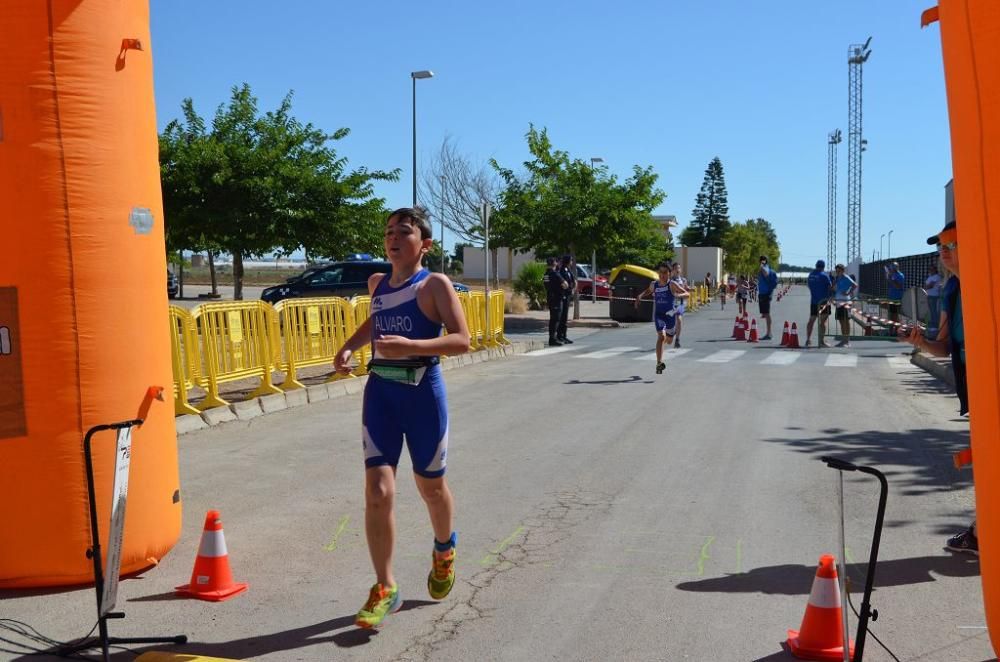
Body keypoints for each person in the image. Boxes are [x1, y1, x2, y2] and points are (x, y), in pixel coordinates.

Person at [334, 207, 471, 629]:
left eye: (404, 232)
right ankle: (385, 587)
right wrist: (351, 347)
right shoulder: (377, 282)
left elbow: (462, 340)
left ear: (424, 244)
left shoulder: (434, 284)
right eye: (389, 232)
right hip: (381, 395)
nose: (393, 238)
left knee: (431, 488)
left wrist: (411, 344)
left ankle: (444, 550)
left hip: (423, 395)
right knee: (377, 489)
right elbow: (375, 321)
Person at [899, 221, 973, 553]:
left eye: (951, 244)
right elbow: (944, 345)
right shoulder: (951, 288)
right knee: (985, 459)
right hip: (973, 382)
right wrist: (922, 343)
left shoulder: (986, 280)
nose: (943, 251)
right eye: (940, 246)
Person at [634, 261, 678, 375]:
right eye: (660, 272)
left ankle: (670, 336)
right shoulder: (654, 284)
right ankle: (659, 363)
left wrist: (680, 295)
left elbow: (686, 293)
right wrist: (640, 295)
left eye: (665, 272)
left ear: (669, 273)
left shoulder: (672, 285)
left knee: (669, 340)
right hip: (659, 314)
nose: (662, 275)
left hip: (670, 315)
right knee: (661, 337)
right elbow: (649, 290)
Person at [805, 260, 833, 348]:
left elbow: (809, 286)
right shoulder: (824, 275)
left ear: (816, 265)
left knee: (811, 321)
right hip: (824, 301)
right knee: (823, 322)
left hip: (814, 301)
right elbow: (830, 287)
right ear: (823, 267)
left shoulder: (811, 275)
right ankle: (821, 341)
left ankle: (808, 340)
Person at [542, 257, 568, 346]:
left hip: (550, 298)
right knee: (556, 319)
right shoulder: (555, 274)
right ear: (555, 263)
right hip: (557, 299)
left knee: (553, 319)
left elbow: (546, 285)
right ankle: (552, 339)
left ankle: (552, 338)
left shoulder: (546, 274)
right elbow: (565, 285)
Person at [832, 264, 857, 347]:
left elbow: (855, 285)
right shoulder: (837, 278)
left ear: (843, 270)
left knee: (846, 321)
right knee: (841, 321)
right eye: (836, 271)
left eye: (839, 271)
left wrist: (848, 292)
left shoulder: (846, 277)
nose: (837, 272)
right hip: (839, 302)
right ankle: (843, 340)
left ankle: (847, 341)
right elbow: (834, 288)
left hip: (845, 302)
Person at [670, 263, 691, 348]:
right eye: (675, 268)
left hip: (680, 304)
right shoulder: (670, 280)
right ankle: (673, 331)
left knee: (679, 320)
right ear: (673, 270)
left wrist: (690, 289)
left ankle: (677, 340)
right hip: (671, 304)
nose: (677, 270)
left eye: (678, 268)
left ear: (680, 270)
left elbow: (686, 288)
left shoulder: (683, 280)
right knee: (671, 322)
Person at [556, 255, 576, 344]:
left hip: (568, 295)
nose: (572, 262)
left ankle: (564, 336)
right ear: (568, 261)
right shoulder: (561, 270)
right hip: (563, 296)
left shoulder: (568, 270)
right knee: (562, 317)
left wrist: (573, 289)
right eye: (571, 260)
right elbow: (562, 283)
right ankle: (559, 336)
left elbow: (572, 280)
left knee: (565, 317)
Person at [757, 256, 778, 340]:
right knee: (765, 314)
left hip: (766, 293)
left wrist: (762, 266)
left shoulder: (765, 268)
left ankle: (769, 333)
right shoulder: (765, 268)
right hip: (763, 293)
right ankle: (768, 333)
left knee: (767, 313)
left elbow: (766, 274)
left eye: (762, 261)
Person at [924, 263, 943, 336]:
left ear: (935, 269)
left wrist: (926, 287)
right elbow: (926, 286)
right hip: (929, 296)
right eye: (929, 269)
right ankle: (932, 325)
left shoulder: (936, 277)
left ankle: (935, 326)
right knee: (930, 311)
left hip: (934, 296)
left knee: (934, 311)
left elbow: (929, 286)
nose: (930, 270)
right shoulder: (930, 277)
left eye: (932, 269)